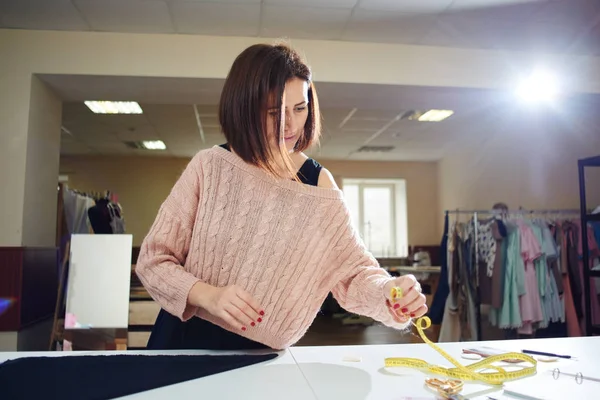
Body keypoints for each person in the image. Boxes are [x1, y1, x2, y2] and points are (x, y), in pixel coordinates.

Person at [135, 43, 428, 351]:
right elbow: (153, 261)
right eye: (274, 112)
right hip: (181, 341)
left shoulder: (318, 186)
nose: (289, 124)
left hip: (260, 358)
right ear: (244, 107)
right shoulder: (210, 166)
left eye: (299, 109)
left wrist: (390, 292)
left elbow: (354, 274)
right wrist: (208, 295)